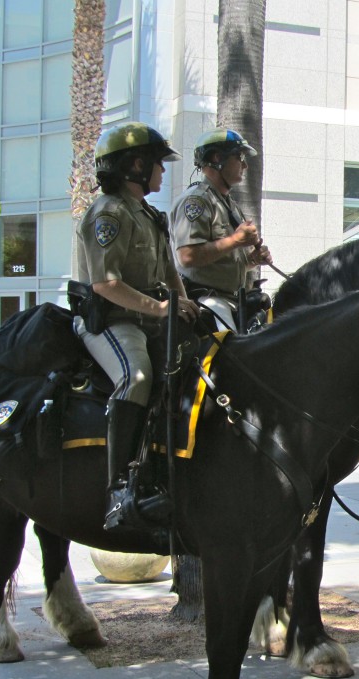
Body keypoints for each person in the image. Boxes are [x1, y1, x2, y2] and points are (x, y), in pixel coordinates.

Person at [73, 121, 200, 531]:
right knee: (138, 376)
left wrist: (184, 303)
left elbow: (169, 269)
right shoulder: (107, 213)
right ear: (135, 165)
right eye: (158, 165)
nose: (163, 173)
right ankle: (119, 489)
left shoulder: (149, 214)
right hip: (110, 321)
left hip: (149, 318)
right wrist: (160, 309)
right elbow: (105, 284)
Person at [171, 128, 271, 332]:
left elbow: (226, 262)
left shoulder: (228, 204)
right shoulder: (197, 201)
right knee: (231, 352)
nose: (244, 164)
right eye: (239, 157)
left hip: (233, 299)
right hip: (206, 300)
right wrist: (236, 240)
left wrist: (252, 260)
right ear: (218, 158)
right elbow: (187, 256)